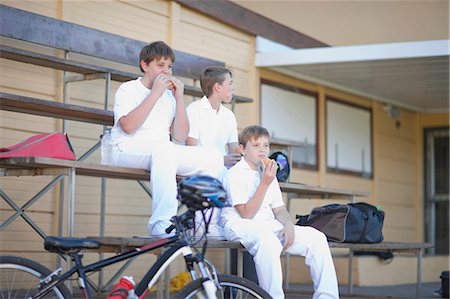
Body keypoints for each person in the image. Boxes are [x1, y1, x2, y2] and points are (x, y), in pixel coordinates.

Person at [110, 41, 223, 237]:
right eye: (160, 65)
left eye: (169, 66)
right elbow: (127, 127)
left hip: (162, 153)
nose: (166, 71)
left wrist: (179, 98)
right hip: (126, 149)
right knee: (165, 150)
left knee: (213, 157)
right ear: (145, 66)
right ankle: (162, 222)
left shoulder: (169, 97)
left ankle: (205, 224)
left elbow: (179, 136)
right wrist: (154, 94)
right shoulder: (128, 89)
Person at [220, 125, 339, 299]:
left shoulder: (268, 172)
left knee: (317, 238)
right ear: (243, 149)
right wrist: (265, 183)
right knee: (269, 241)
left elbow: (279, 208)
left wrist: (288, 224)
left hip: (268, 224)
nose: (262, 150)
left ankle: (327, 296)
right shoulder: (235, 174)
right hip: (239, 224)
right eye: (256, 145)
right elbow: (246, 214)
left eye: (266, 146)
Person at [185, 66, 241, 238]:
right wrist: (220, 160)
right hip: (198, 165)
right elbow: (190, 148)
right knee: (217, 171)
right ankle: (204, 226)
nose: (232, 88)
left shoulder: (228, 115)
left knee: (245, 174)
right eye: (229, 84)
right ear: (217, 87)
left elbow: (235, 149)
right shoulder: (194, 109)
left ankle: (233, 224)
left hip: (221, 166)